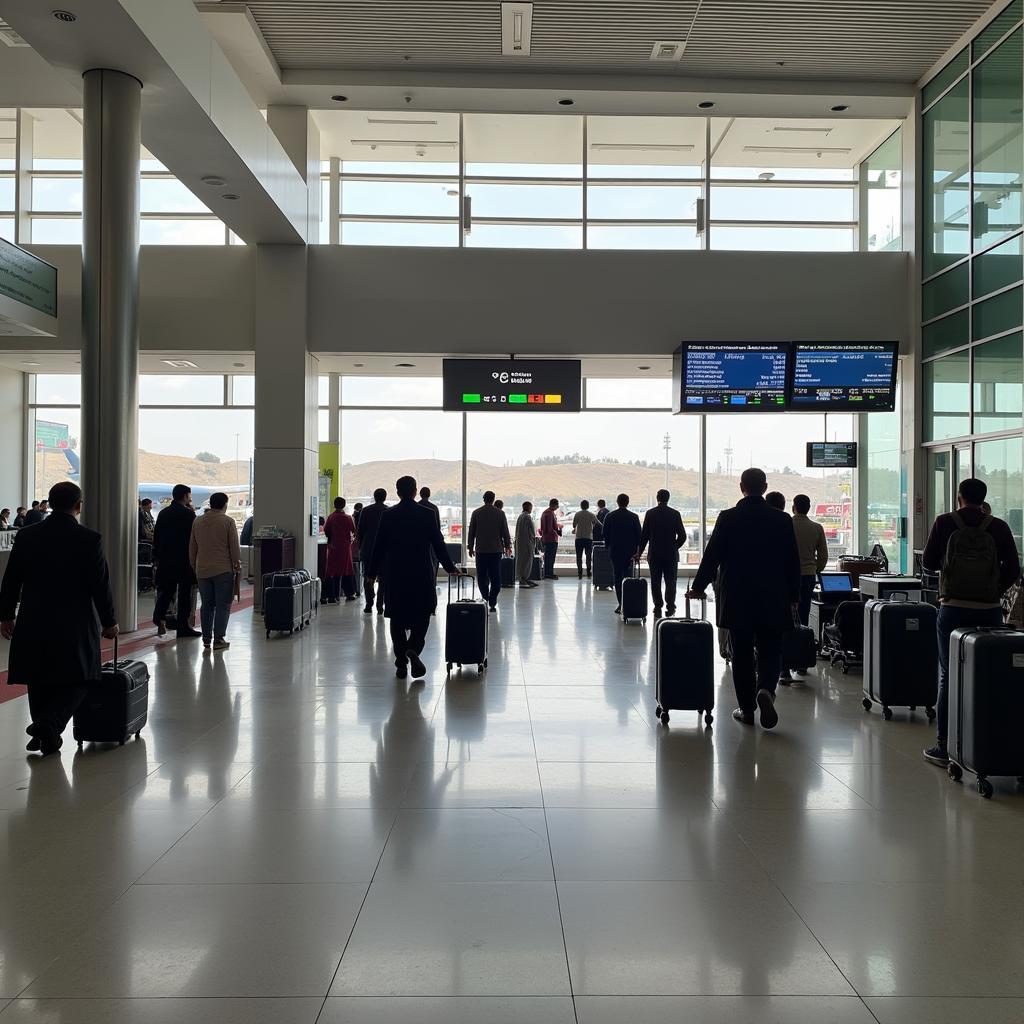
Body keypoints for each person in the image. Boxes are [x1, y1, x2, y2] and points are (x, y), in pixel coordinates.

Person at [0, 481, 118, 755]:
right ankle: (48, 724)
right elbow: (100, 585)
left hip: (34, 617)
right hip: (74, 620)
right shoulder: (89, 539)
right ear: (78, 506)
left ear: (50, 504)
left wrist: (6, 615)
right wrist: (110, 621)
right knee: (84, 675)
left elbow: (11, 580)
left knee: (37, 676)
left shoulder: (27, 536)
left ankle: (46, 734)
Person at [688, 468, 800, 730]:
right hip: (773, 596)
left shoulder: (728, 518)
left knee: (741, 653)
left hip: (738, 597)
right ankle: (766, 690)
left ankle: (747, 710)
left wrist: (698, 586)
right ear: (764, 487)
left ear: (741, 487)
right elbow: (792, 562)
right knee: (771, 648)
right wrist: (794, 596)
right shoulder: (782, 520)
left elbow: (712, 555)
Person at [921, 478, 1021, 768]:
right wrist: (993, 589)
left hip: (952, 608)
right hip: (989, 610)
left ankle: (944, 745)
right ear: (983, 498)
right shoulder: (998, 527)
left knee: (949, 675)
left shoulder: (944, 522)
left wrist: (952, 572)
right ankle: (992, 741)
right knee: (990, 673)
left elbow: (928, 562)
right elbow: (1013, 569)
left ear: (959, 497)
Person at [366, 475, 460, 679]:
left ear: (398, 492)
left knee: (397, 621)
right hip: (421, 574)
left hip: (396, 574)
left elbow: (378, 547)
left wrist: (371, 573)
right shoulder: (426, 514)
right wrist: (450, 567)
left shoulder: (388, 515)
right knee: (422, 616)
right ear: (415, 491)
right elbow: (438, 543)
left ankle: (401, 664)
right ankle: (414, 649)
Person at [784, 493, 829, 682]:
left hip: (786, 577)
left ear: (794, 508)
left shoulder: (785, 524)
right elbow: (824, 556)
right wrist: (814, 568)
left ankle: (784, 666)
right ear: (808, 509)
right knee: (803, 617)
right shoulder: (817, 528)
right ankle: (801, 662)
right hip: (808, 575)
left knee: (785, 619)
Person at [189, 491, 241, 652]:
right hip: (223, 569)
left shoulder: (197, 521)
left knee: (207, 605)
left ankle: (206, 639)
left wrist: (194, 565)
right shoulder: (228, 522)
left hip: (202, 569)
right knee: (223, 605)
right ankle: (218, 639)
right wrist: (236, 564)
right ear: (225, 504)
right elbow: (234, 548)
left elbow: (192, 547)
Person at [152, 483, 202, 639]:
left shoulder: (163, 513)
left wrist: (156, 557)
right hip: (184, 559)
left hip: (166, 558)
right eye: (189, 495)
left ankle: (159, 616)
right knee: (185, 594)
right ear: (186, 496)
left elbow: (157, 537)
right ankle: (183, 626)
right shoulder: (189, 515)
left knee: (166, 591)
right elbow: (194, 539)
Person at [639, 489, 687, 618]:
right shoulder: (675, 514)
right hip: (670, 554)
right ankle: (670, 605)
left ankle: (657, 606)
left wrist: (639, 552)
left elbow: (644, 536)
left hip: (654, 554)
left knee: (655, 581)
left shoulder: (650, 513)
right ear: (668, 498)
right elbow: (682, 535)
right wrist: (675, 546)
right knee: (671, 581)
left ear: (657, 498)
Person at [467, 490, 512, 612]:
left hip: (481, 551)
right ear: (493, 499)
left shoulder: (476, 513)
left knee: (481, 576)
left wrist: (470, 547)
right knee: (496, 577)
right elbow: (505, 532)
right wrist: (508, 546)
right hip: (495, 551)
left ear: (483, 499)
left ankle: (485, 597)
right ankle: (492, 600)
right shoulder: (500, 513)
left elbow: (471, 532)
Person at [602, 493, 642, 614]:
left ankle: (621, 604)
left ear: (617, 502)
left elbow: (605, 534)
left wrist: (608, 546)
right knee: (629, 577)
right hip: (630, 553)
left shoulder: (610, 516)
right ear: (628, 502)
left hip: (615, 552)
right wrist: (637, 551)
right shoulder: (634, 517)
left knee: (618, 577)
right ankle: (629, 603)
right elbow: (639, 536)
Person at [358, 489, 388, 614]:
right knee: (383, 579)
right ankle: (380, 605)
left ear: (374, 497)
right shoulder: (388, 511)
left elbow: (360, 531)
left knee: (367, 576)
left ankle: (369, 604)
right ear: (385, 497)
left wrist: (362, 546)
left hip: (368, 549)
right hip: (384, 551)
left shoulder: (365, 511)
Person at [324, 496, 357, 603]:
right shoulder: (348, 518)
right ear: (344, 505)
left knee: (332, 571)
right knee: (347, 569)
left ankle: (332, 596)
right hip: (345, 547)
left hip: (333, 547)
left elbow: (326, 530)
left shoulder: (331, 517)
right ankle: (349, 593)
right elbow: (354, 531)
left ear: (334, 505)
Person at [419, 487, 442, 581]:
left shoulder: (417, 506)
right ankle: (432, 581)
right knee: (433, 562)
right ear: (429, 495)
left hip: (418, 541)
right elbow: (438, 526)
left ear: (420, 494)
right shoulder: (434, 508)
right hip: (431, 541)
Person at [515, 501, 538, 588]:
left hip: (521, 542)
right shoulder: (527, 517)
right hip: (527, 542)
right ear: (528, 508)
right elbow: (531, 532)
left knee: (521, 561)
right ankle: (523, 579)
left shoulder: (521, 516)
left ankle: (523, 578)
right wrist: (533, 542)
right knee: (527, 561)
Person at [572, 499, 598, 579]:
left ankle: (580, 573)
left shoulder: (577, 514)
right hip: (588, 538)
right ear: (588, 506)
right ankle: (588, 572)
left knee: (579, 556)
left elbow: (574, 525)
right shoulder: (591, 514)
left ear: (581, 506)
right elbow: (597, 523)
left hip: (579, 538)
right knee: (588, 556)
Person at [539, 498, 562, 580]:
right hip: (551, 539)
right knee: (550, 557)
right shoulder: (549, 513)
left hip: (546, 538)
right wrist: (558, 530)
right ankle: (549, 574)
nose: (558, 506)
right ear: (554, 504)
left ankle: (547, 573)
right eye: (557, 505)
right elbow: (549, 528)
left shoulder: (546, 512)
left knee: (548, 557)